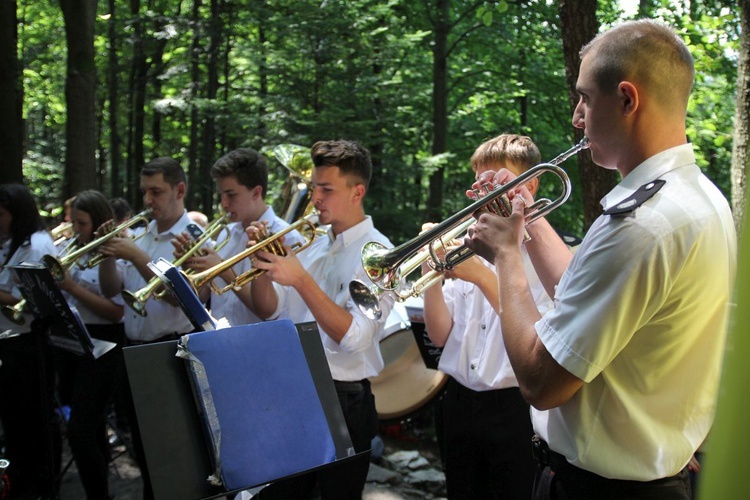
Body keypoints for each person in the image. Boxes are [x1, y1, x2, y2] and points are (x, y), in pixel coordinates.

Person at [465, 19, 736, 499]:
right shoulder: (698, 199)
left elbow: (540, 382)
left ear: (628, 100)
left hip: (598, 489)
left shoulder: (640, 225)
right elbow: (592, 295)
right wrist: (522, 216)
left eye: (586, 98)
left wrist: (506, 254)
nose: (576, 117)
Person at [249, 140, 394, 499]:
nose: (315, 198)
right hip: (296, 390)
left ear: (357, 192)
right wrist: (261, 263)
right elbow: (270, 309)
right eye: (314, 187)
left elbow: (356, 338)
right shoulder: (313, 242)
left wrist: (300, 278)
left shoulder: (378, 253)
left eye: (326, 189)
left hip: (343, 401)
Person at [422, 134, 553, 499]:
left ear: (529, 185)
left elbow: (540, 336)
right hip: (459, 402)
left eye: (495, 181)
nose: (483, 192)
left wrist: (481, 277)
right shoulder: (469, 245)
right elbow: (440, 336)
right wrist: (428, 276)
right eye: (479, 182)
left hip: (516, 410)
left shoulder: (546, 258)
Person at [98, 157, 197, 499]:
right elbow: (111, 289)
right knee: (141, 443)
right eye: (144, 192)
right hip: (133, 348)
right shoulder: (141, 234)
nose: (147, 200)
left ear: (179, 190)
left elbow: (180, 299)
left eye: (156, 191)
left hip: (170, 350)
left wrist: (137, 256)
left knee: (171, 448)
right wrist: (109, 252)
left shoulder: (192, 237)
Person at [174, 147, 303, 327]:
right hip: (221, 340)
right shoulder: (227, 234)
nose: (224, 204)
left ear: (256, 192)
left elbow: (269, 312)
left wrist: (224, 271)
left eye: (231, 195)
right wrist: (195, 268)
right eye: (221, 195)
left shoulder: (286, 237)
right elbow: (205, 296)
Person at [57, 190, 126, 500]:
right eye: (75, 224)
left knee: (80, 431)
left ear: (98, 222)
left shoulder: (112, 254)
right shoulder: (75, 248)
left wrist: (71, 285)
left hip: (105, 343)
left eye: (82, 224)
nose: (76, 231)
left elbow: (116, 311)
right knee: (92, 426)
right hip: (75, 340)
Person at [0, 183, 61, 499]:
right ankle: (18, 479)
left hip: (29, 343)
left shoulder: (37, 245)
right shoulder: (12, 242)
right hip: (9, 342)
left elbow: (36, 303)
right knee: (14, 420)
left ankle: (42, 484)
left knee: (35, 418)